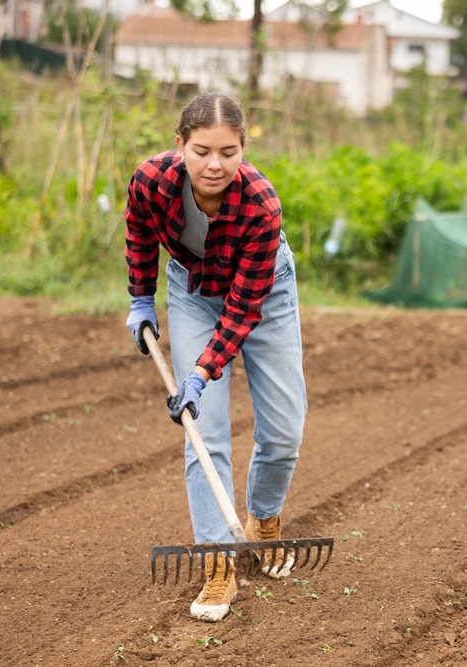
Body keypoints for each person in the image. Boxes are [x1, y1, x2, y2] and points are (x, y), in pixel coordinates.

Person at [123, 92, 307, 622]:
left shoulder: (260, 203)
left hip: (263, 293)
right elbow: (138, 230)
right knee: (204, 429)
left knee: (285, 429)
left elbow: (245, 309)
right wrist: (141, 297)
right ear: (180, 144)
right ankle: (217, 561)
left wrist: (202, 370)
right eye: (202, 150)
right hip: (191, 289)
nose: (215, 164)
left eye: (229, 152)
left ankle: (264, 520)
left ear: (244, 150)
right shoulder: (151, 181)